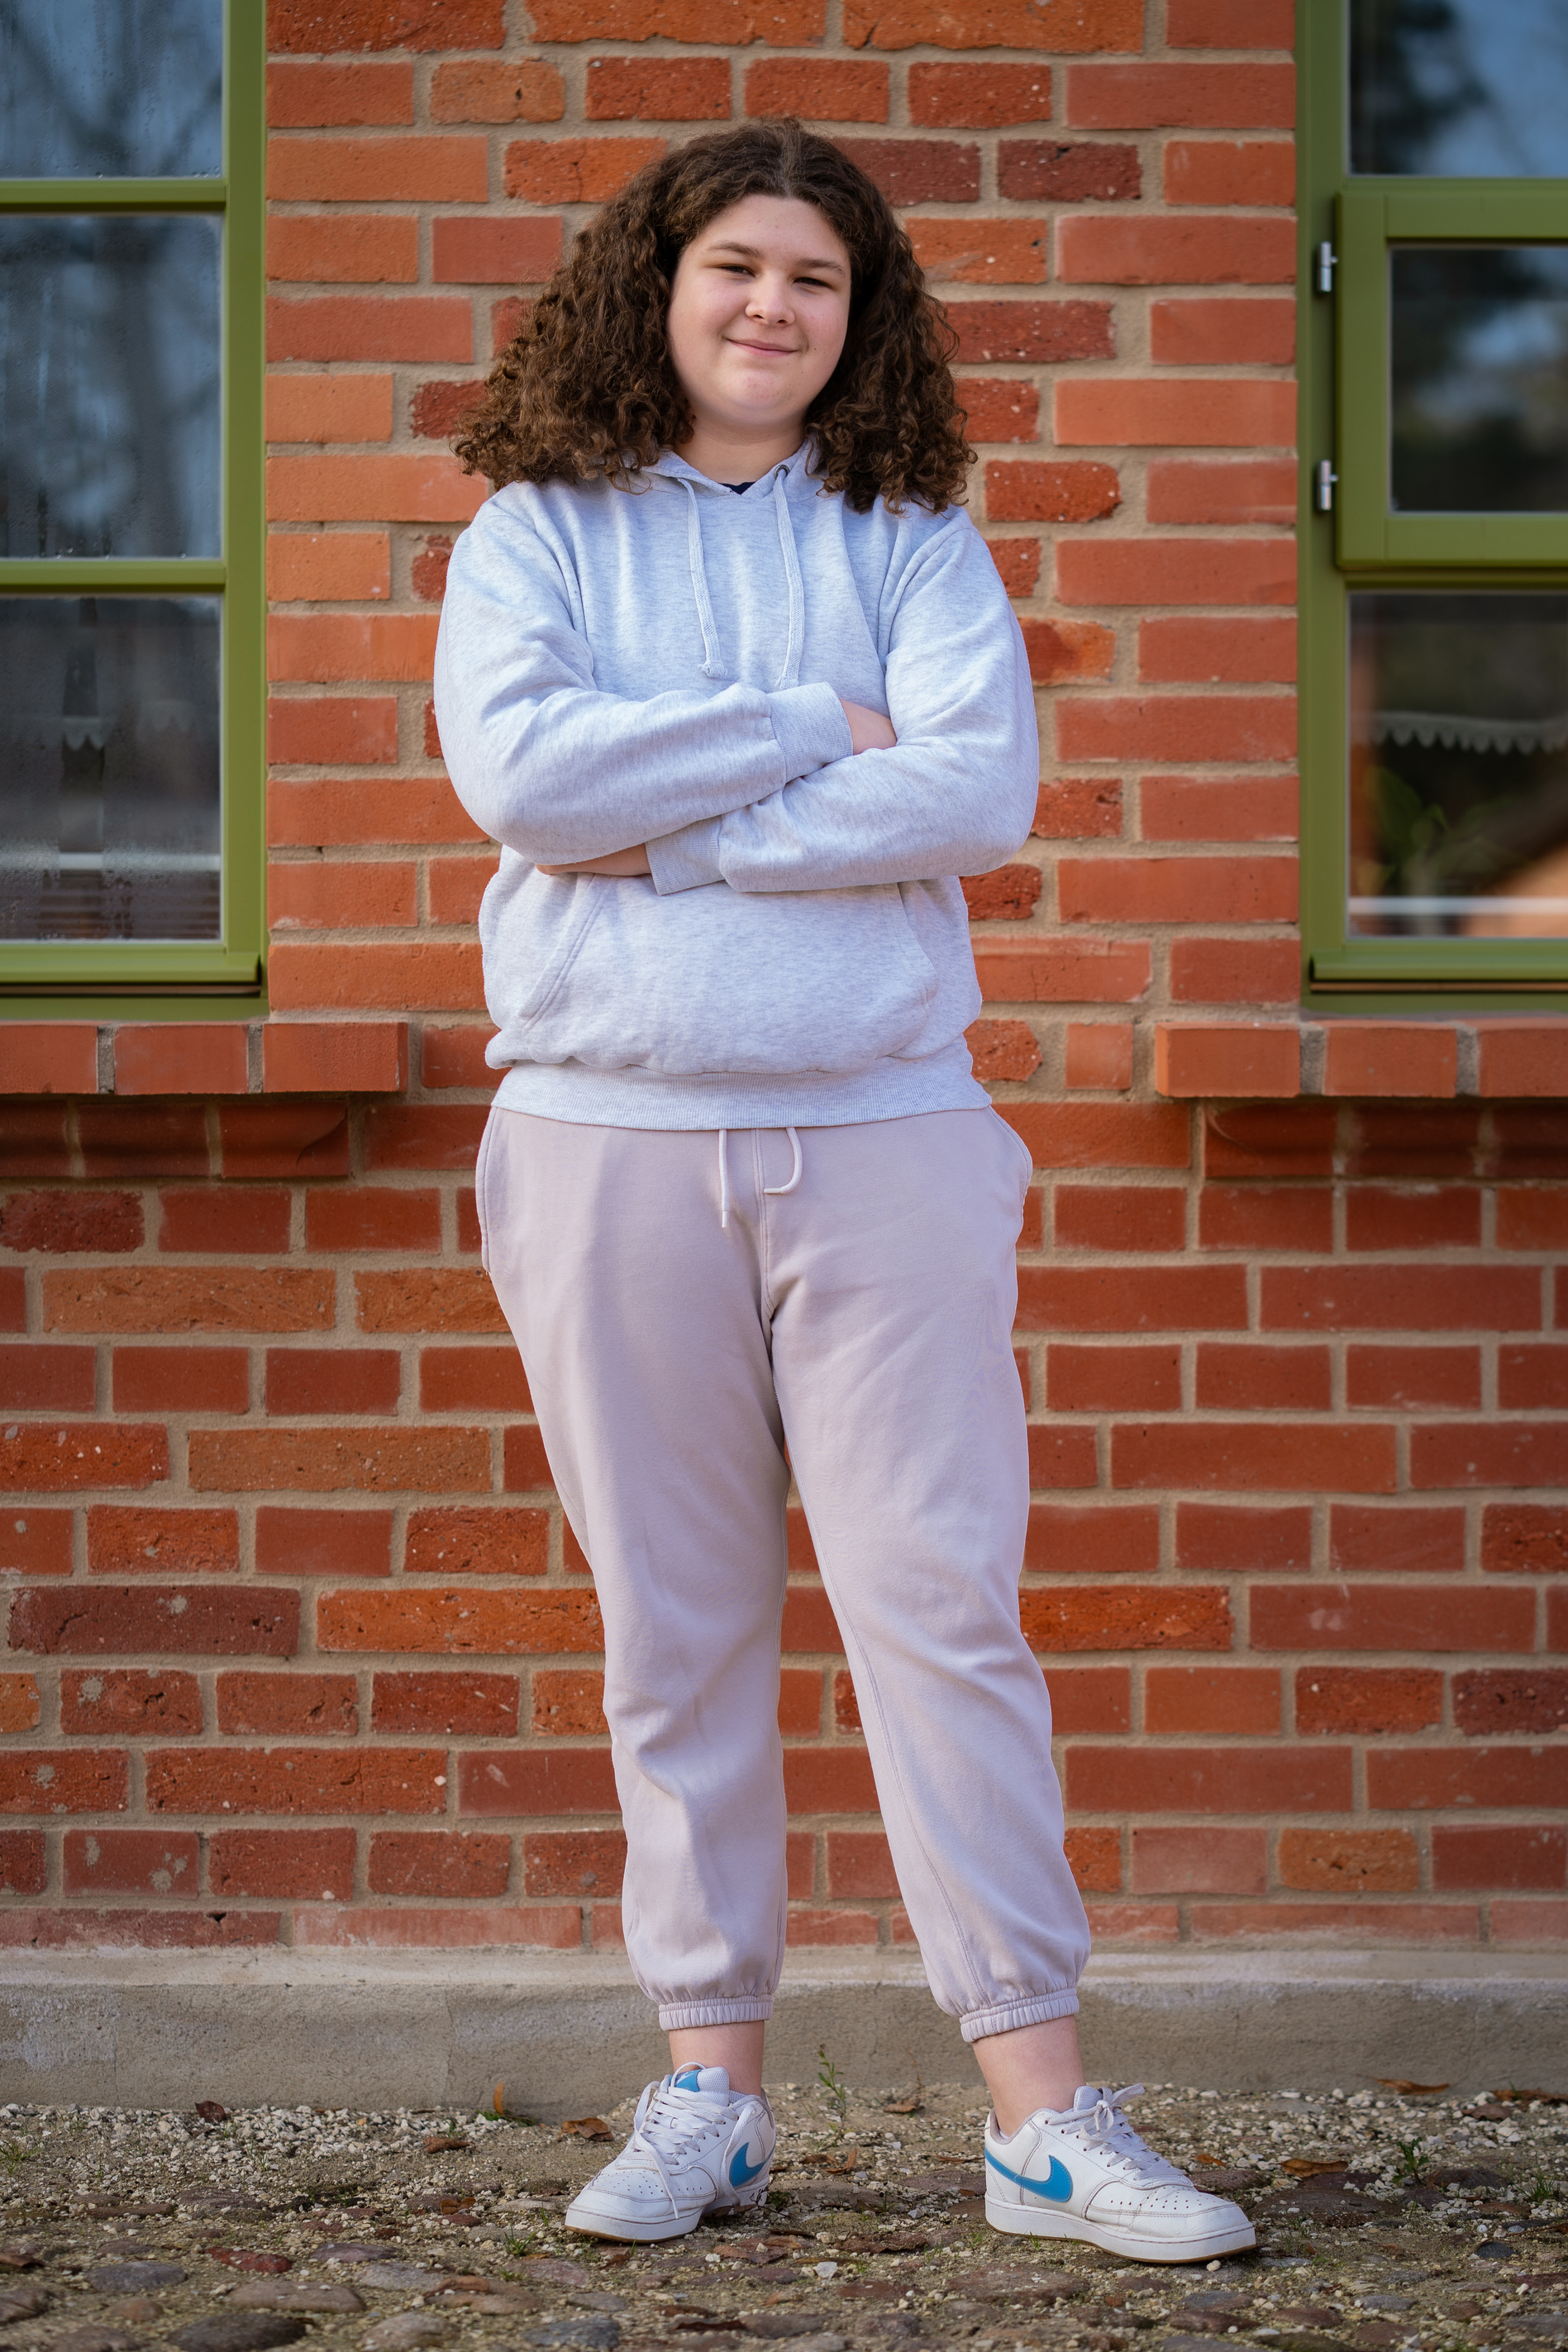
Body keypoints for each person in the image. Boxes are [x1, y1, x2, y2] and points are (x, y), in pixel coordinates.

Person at [433, 119, 1253, 2269]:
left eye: (815, 277)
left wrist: (677, 832)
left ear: (854, 317)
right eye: (736, 267)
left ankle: (1042, 2123)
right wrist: (814, 722)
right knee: (673, 1630)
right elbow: (523, 778)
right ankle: (709, 2093)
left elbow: (977, 788)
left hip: (887, 1133)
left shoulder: (912, 530)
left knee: (942, 1614)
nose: (772, 307)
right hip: (605, 1140)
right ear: (658, 287)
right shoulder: (533, 531)